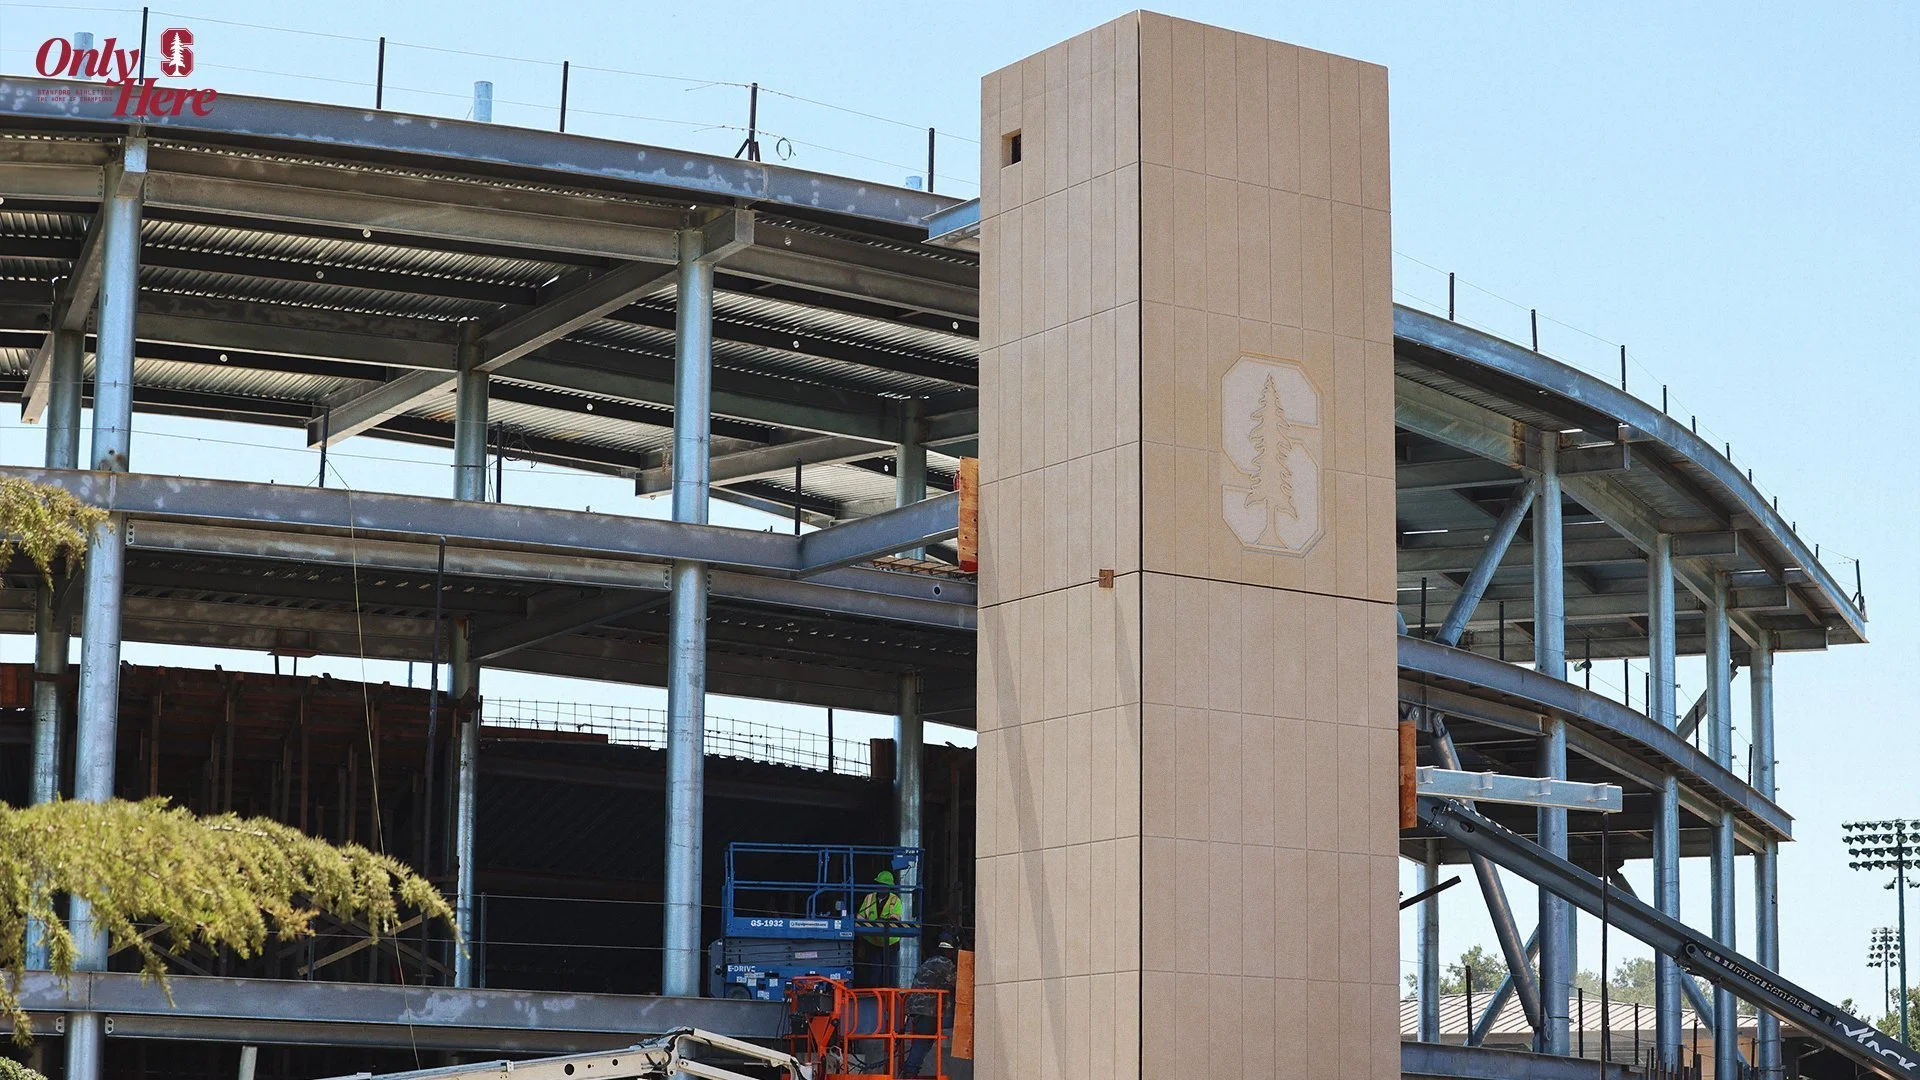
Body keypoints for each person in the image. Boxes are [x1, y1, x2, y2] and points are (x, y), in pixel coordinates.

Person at [899, 937, 957, 1078]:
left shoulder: (930, 961)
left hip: (916, 1007)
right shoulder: (945, 963)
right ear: (949, 951)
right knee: (923, 1040)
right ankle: (910, 1072)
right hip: (928, 1009)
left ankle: (910, 1069)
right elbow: (957, 982)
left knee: (923, 1039)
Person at [855, 869, 904, 987]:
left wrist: (880, 922)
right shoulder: (869, 898)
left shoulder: (895, 900)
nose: (882, 888)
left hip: (890, 944)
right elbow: (860, 918)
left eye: (885, 886)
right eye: (880, 885)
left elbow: (895, 919)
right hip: (873, 942)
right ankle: (874, 997)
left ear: (889, 887)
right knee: (874, 972)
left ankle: (887, 998)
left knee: (890, 973)